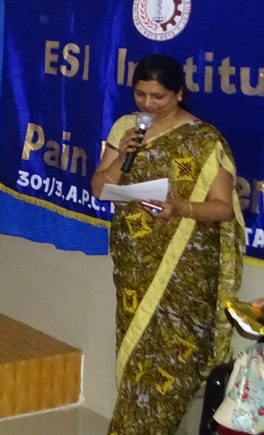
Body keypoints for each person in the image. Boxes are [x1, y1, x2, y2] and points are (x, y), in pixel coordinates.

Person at [91, 53, 244, 435]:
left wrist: (181, 208)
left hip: (185, 269)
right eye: (140, 94)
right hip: (135, 264)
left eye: (157, 96)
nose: (147, 103)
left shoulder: (203, 139)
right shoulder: (126, 128)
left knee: (175, 361)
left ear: (178, 93)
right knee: (139, 354)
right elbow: (100, 188)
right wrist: (121, 156)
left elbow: (224, 208)